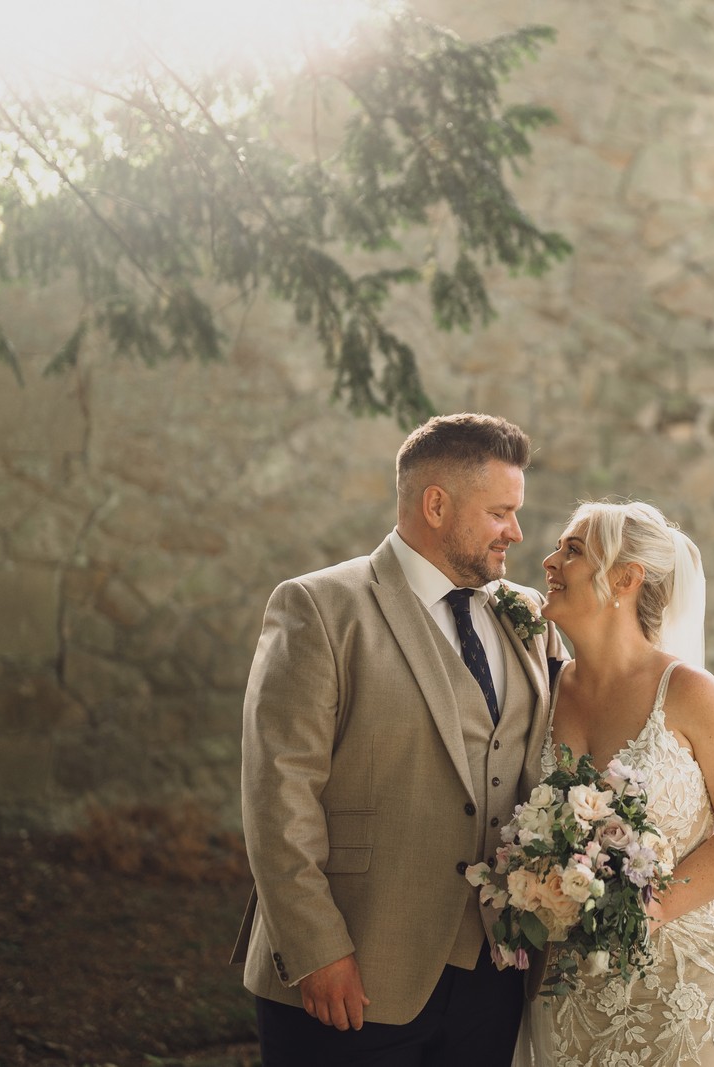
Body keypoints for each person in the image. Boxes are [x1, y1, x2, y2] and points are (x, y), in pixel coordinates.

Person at [232, 413, 565, 1067]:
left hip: (492, 979)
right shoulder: (319, 608)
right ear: (436, 504)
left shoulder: (528, 617)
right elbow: (278, 792)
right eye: (500, 512)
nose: (517, 533)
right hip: (350, 971)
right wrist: (316, 948)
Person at [525, 500, 714, 1067]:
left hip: (687, 979)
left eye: (572, 550)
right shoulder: (541, 689)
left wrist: (650, 910)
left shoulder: (689, 692)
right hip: (571, 987)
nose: (548, 561)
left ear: (624, 577)